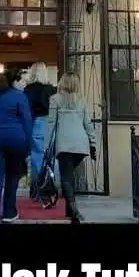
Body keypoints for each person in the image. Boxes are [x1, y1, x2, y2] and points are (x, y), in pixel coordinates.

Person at [0, 68, 34, 224]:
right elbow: (27, 123)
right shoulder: (20, 97)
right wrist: (29, 147)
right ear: (13, 82)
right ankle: (9, 212)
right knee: (13, 177)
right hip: (16, 142)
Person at [45, 72, 96, 224]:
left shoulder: (55, 99)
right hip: (81, 145)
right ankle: (69, 209)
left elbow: (51, 124)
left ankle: (74, 211)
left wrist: (46, 146)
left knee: (66, 178)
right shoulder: (82, 100)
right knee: (69, 176)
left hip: (65, 144)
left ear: (63, 82)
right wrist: (93, 143)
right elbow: (88, 123)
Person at [23, 62, 57, 198]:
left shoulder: (29, 90)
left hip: (36, 123)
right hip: (51, 124)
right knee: (50, 157)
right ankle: (49, 186)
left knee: (37, 157)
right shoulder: (52, 89)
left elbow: (26, 110)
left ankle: (37, 189)